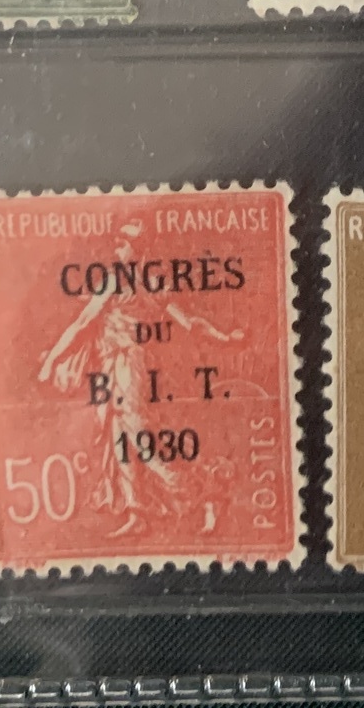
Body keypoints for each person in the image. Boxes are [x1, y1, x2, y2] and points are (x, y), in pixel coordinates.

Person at [38, 222, 244, 538]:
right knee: (120, 438)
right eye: (118, 241)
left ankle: (204, 496)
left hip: (128, 363)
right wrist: (224, 337)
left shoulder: (122, 281)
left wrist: (51, 359)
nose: (117, 247)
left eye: (124, 243)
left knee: (139, 438)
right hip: (117, 364)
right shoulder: (152, 282)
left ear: (138, 248)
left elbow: (83, 322)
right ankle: (137, 513)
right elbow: (189, 322)